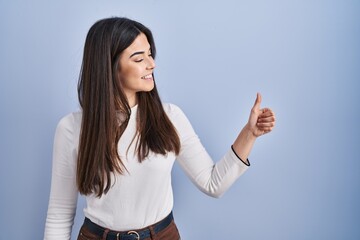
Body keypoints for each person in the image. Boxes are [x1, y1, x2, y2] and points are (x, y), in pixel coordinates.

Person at [44, 17, 276, 240]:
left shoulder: (170, 118)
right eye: (138, 58)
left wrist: (249, 133)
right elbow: (59, 216)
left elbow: (213, 183)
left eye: (150, 54)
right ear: (109, 67)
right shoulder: (71, 129)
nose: (151, 64)